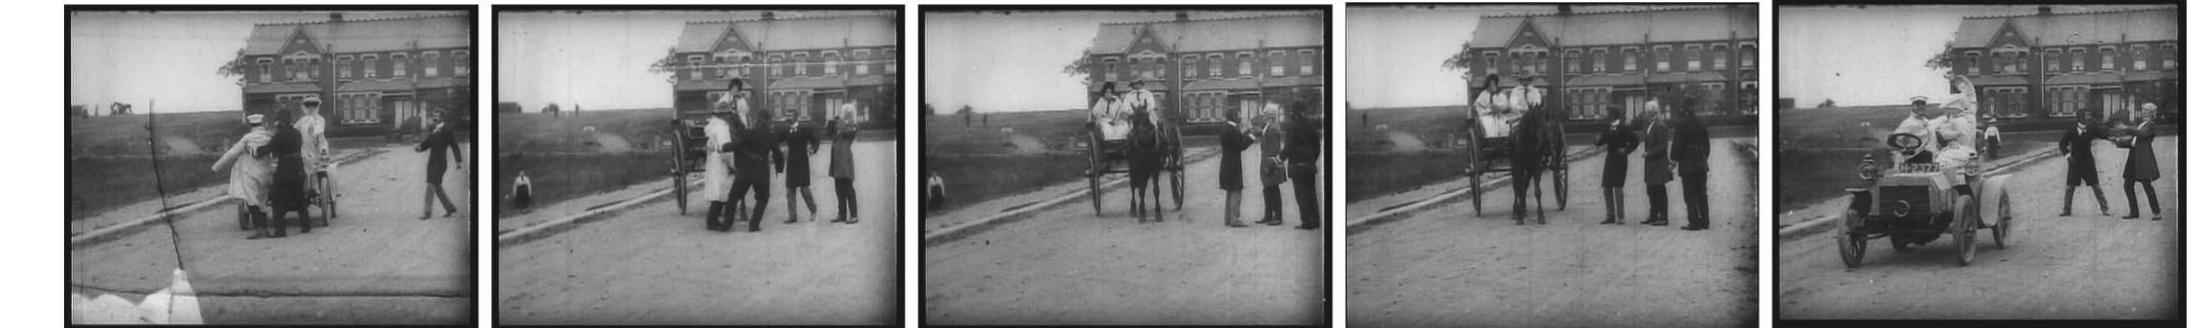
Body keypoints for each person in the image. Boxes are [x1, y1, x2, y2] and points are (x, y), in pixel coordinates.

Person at [726, 81, 785, 233]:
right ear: (769, 119)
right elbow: (778, 154)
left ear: (758, 119)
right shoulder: (771, 136)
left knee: (734, 196)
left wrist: (726, 147)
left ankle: (726, 223)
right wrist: (779, 167)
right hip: (761, 172)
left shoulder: (751, 132)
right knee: (763, 199)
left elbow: (739, 143)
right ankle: (753, 225)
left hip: (745, 171)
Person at [214, 114, 276, 239]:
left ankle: (258, 229)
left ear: (251, 125)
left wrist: (216, 167)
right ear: (262, 124)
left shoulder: (247, 138)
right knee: (263, 200)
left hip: (249, 172)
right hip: (265, 172)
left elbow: (231, 154)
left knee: (252, 200)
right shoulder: (269, 137)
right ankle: (265, 229)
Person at [266, 109, 311, 234]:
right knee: (300, 197)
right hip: (298, 168)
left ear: (280, 121)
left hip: (284, 169)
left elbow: (269, 148)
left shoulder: (279, 135)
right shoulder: (297, 133)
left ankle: (280, 230)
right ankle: (306, 226)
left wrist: (257, 150)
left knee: (276, 198)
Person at [1216, 103, 1261, 228]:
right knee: (1236, 190)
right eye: (1238, 115)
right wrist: (1253, 136)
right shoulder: (1231, 130)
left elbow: (1238, 137)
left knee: (1230, 191)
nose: (1240, 117)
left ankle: (1228, 218)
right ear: (1234, 117)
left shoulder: (1226, 128)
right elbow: (1241, 145)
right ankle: (1235, 219)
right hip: (1233, 165)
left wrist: (1247, 131)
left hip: (1226, 164)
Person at [703, 88, 741, 231]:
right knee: (722, 190)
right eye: (728, 114)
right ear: (724, 115)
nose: (729, 117)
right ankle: (712, 221)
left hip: (713, 160)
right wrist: (731, 166)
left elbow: (708, 145)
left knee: (718, 190)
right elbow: (725, 149)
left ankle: (713, 219)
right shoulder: (723, 128)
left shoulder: (712, 126)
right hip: (721, 162)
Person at [2059, 111, 2111, 216]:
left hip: (2088, 162)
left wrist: (2112, 137)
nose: (2089, 117)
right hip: (2075, 162)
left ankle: (2105, 209)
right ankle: (2066, 210)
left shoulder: (2091, 129)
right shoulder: (2072, 130)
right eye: (2087, 115)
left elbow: (2103, 134)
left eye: (2089, 115)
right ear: (2080, 118)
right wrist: (2067, 156)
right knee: (2070, 187)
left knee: (2096, 185)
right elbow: (2062, 143)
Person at [1671, 97, 1712, 231]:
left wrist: (1674, 159)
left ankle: (1693, 222)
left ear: (1684, 108)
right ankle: (1705, 221)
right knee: (1701, 192)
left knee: (1689, 194)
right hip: (1700, 161)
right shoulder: (1701, 122)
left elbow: (1678, 144)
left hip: (1688, 163)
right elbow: (1707, 145)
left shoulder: (1682, 124)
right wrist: (1703, 157)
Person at [1593, 106, 1638, 225]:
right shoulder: (1607, 127)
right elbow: (1601, 140)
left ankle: (1620, 216)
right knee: (1606, 187)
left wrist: (1626, 150)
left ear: (1613, 115)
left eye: (1608, 114)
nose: (1606, 116)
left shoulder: (1624, 128)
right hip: (1610, 159)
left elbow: (1635, 142)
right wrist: (1597, 141)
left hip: (1620, 160)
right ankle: (1610, 215)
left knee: (1618, 188)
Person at [1283, 98, 1323, 230]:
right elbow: (1317, 146)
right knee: (1311, 193)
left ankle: (1306, 222)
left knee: (1301, 195)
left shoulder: (1292, 127)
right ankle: (1315, 221)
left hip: (1297, 166)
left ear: (1294, 112)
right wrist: (1312, 159)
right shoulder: (1310, 126)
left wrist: (1278, 159)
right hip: (1309, 166)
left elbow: (1288, 148)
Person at [416, 109, 463, 220]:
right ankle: (450, 208)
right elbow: (428, 142)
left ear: (442, 117)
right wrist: (420, 147)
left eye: (437, 116)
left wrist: (458, 161)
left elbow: (454, 145)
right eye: (434, 115)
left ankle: (427, 213)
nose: (434, 118)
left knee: (430, 185)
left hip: (440, 163)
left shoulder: (447, 130)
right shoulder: (433, 129)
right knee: (436, 186)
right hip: (432, 162)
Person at [2119, 104, 2161, 220]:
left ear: (2152, 113)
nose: (2144, 112)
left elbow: (2140, 134)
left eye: (2147, 110)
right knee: (2127, 185)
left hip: (2143, 159)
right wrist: (2118, 141)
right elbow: (2134, 141)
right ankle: (2134, 212)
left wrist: (2126, 128)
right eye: (2143, 110)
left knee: (2147, 185)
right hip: (2134, 157)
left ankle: (2156, 212)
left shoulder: (2151, 125)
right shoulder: (2141, 124)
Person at [781, 112, 820, 224]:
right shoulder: (787, 130)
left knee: (804, 189)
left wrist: (813, 149)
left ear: (796, 117)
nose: (788, 118)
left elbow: (815, 139)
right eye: (787, 115)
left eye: (790, 115)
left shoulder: (804, 129)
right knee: (790, 190)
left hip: (802, 162)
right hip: (791, 163)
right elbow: (776, 138)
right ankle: (792, 216)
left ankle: (813, 210)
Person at [1640, 97, 1673, 226]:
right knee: (1651, 190)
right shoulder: (1650, 126)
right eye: (1646, 112)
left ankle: (1663, 217)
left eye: (1648, 112)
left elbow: (1662, 146)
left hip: (1657, 163)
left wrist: (1649, 153)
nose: (1646, 114)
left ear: (1654, 113)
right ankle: (1653, 215)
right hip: (1652, 163)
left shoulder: (1659, 126)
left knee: (1659, 190)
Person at [1255, 102, 1287, 226]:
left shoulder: (1272, 128)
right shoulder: (1269, 126)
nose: (1263, 116)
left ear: (1270, 115)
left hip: (1270, 163)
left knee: (1273, 189)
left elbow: (1273, 150)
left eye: (1265, 114)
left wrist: (1269, 165)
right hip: (1267, 163)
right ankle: (1268, 215)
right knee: (1268, 189)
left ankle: (1277, 217)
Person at [829, 101, 862, 224]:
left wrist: (839, 122)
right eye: (845, 113)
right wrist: (834, 121)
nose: (847, 115)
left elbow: (847, 131)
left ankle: (854, 215)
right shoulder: (840, 125)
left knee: (848, 188)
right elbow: (829, 133)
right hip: (837, 159)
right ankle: (841, 213)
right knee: (838, 188)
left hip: (845, 159)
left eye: (849, 113)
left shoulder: (853, 125)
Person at [295, 97, 331, 201]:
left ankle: (315, 190)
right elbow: (295, 131)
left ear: (316, 107)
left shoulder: (319, 120)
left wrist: (322, 150)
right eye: (308, 107)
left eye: (313, 107)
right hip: (303, 147)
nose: (310, 109)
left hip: (316, 146)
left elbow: (319, 135)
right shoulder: (302, 120)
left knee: (315, 167)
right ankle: (302, 189)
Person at [1468, 74, 1511, 138]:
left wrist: (1499, 107)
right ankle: (1490, 139)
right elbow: (1479, 109)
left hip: (1499, 115)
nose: (1492, 87)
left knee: (1504, 123)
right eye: (1490, 85)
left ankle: (1503, 138)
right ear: (1487, 85)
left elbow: (1506, 105)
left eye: (1494, 85)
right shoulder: (1483, 94)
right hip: (1486, 116)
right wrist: (1489, 110)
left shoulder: (1500, 94)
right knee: (1489, 123)